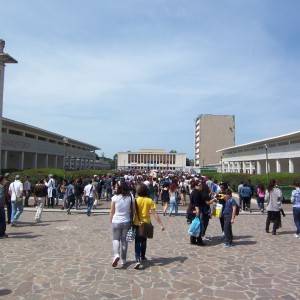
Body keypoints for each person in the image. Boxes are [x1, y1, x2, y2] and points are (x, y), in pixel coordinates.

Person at [133, 183, 165, 269]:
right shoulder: (149, 200)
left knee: (137, 241)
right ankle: (143, 256)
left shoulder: (135, 200)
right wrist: (161, 224)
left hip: (137, 223)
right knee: (144, 240)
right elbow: (155, 214)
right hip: (146, 223)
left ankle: (137, 259)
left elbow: (132, 213)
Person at [110, 182, 135, 268]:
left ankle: (116, 254)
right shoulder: (130, 197)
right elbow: (133, 210)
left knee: (116, 239)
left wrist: (111, 220)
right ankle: (123, 260)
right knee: (124, 240)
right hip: (126, 221)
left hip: (116, 220)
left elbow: (112, 211)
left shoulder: (115, 197)